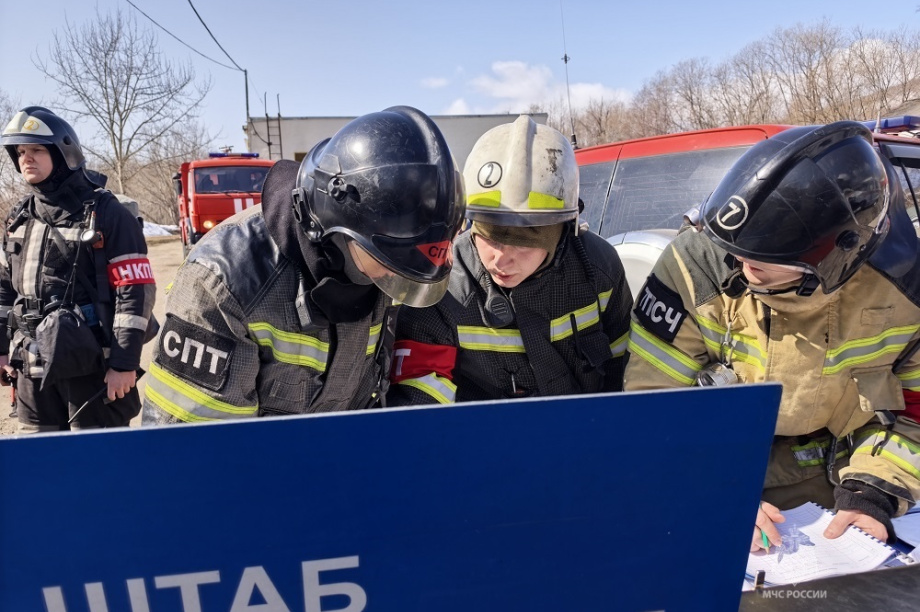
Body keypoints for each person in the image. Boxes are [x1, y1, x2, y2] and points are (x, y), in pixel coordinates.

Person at [623, 121, 920, 549]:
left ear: (835, 254)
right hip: (719, 474)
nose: (740, 261)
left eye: (763, 255)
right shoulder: (695, 269)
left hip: (848, 488)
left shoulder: (905, 292)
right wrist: (711, 490)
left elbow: (915, 417)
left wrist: (873, 495)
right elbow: (652, 409)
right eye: (735, 246)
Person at [141, 106, 464, 424]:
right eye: (389, 262)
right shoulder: (223, 283)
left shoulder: (374, 259)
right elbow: (194, 446)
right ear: (336, 229)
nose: (394, 278)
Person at [387, 115, 633, 405]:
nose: (501, 261)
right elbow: (420, 407)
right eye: (490, 240)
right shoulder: (444, 288)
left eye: (523, 246)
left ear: (562, 233)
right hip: (483, 434)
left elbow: (625, 371)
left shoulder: (599, 269)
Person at [0, 106, 156, 432]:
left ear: (63, 152)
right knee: (40, 456)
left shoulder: (107, 213)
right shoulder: (18, 218)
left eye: (37, 149)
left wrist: (124, 365)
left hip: (92, 368)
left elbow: (135, 293)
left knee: (98, 457)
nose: (26, 158)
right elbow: (3, 289)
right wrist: (1, 349)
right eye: (21, 152)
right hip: (31, 368)